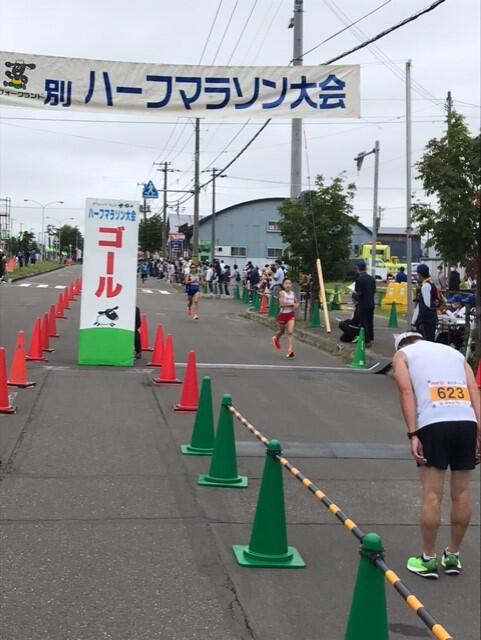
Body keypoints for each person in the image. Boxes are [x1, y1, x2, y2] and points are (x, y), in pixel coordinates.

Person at [392, 332, 480, 579]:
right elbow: (474, 389)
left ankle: (428, 559)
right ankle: (453, 555)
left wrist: (413, 433)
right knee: (461, 493)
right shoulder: (454, 353)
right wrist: (479, 430)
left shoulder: (402, 355)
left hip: (433, 423)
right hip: (466, 422)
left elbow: (405, 392)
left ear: (401, 345)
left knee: (432, 494)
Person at [272, 279, 299, 358]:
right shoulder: (282, 293)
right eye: (286, 283)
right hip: (283, 315)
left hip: (290, 315)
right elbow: (281, 304)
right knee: (282, 331)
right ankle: (276, 338)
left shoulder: (292, 293)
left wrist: (296, 305)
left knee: (290, 332)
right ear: (283, 285)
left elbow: (297, 302)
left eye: (290, 283)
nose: (288, 285)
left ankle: (290, 350)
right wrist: (292, 304)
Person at [412, 264, 438, 342]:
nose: (417, 276)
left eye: (417, 274)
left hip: (425, 320)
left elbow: (427, 304)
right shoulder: (431, 284)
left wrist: (416, 320)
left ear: (420, 275)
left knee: (426, 341)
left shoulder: (425, 286)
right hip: (430, 318)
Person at [353, 259, 376, 346]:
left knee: (363, 322)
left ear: (358, 268)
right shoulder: (372, 279)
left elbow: (358, 293)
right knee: (370, 321)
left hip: (363, 304)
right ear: (366, 268)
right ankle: (370, 337)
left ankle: (366, 340)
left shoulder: (359, 280)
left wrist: (354, 297)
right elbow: (374, 291)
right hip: (371, 303)